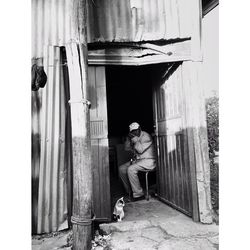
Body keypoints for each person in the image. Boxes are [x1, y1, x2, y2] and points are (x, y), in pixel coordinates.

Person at [118, 122, 156, 201]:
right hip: (139, 160)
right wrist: (128, 139)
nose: (135, 132)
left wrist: (135, 140)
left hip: (149, 160)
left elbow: (140, 150)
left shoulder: (146, 136)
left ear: (140, 129)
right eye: (133, 131)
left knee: (131, 169)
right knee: (121, 169)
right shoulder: (133, 137)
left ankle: (139, 194)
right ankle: (130, 191)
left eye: (136, 130)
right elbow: (126, 149)